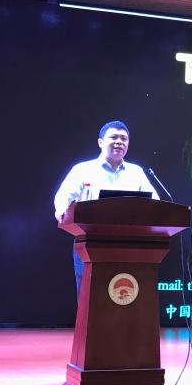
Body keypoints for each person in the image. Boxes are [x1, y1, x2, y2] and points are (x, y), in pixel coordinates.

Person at [53, 120, 158, 297]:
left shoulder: (136, 172)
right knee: (90, 299)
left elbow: (154, 203)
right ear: (100, 142)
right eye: (114, 137)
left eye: (124, 139)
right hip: (89, 244)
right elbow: (63, 197)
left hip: (129, 247)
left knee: (124, 298)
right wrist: (62, 209)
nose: (119, 142)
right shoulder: (83, 170)